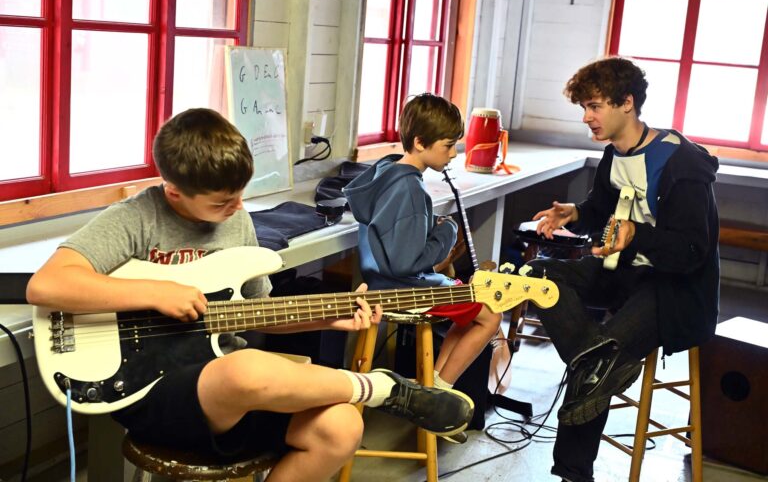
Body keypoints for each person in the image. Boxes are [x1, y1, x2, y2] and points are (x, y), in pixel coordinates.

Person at [25, 108, 474, 482]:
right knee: (242, 369)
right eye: (221, 202)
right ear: (174, 191)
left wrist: (325, 319)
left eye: (240, 196)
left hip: (233, 390)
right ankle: (380, 388)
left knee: (341, 425)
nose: (237, 209)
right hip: (153, 390)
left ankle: (366, 395)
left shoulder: (236, 219)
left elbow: (254, 313)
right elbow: (46, 285)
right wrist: (156, 291)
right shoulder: (135, 217)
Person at [529, 56, 719, 481]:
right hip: (623, 276)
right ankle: (596, 361)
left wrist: (636, 236)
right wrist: (577, 213)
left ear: (627, 103)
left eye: (594, 106)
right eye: (583, 108)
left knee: (596, 362)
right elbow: (604, 212)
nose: (586, 118)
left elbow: (692, 249)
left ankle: (572, 474)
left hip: (673, 289)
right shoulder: (613, 155)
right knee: (537, 275)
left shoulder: (682, 163)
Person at [344, 93, 502, 443]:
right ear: (419, 142)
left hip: (382, 283)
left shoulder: (385, 172)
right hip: (402, 288)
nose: (453, 153)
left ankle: (432, 389)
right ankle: (435, 399)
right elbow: (407, 260)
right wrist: (446, 230)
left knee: (471, 307)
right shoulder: (411, 190)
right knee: (489, 314)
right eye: (448, 146)